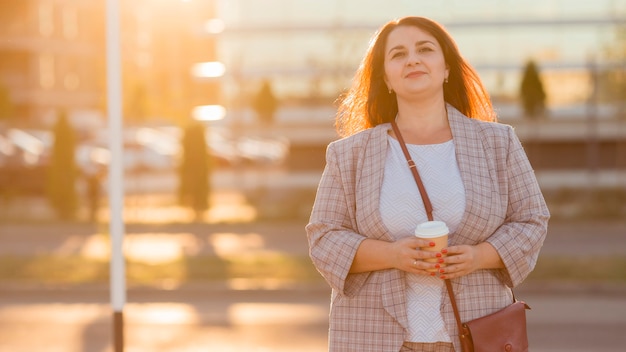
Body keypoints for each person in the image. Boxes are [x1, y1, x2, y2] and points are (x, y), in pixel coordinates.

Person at [306, 16, 549, 352]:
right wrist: (392, 254)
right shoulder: (349, 155)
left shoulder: (498, 142)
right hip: (374, 337)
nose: (413, 59)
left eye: (425, 49)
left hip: (474, 335)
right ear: (386, 78)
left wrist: (480, 256)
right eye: (398, 54)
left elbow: (532, 220)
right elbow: (323, 237)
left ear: (446, 68)